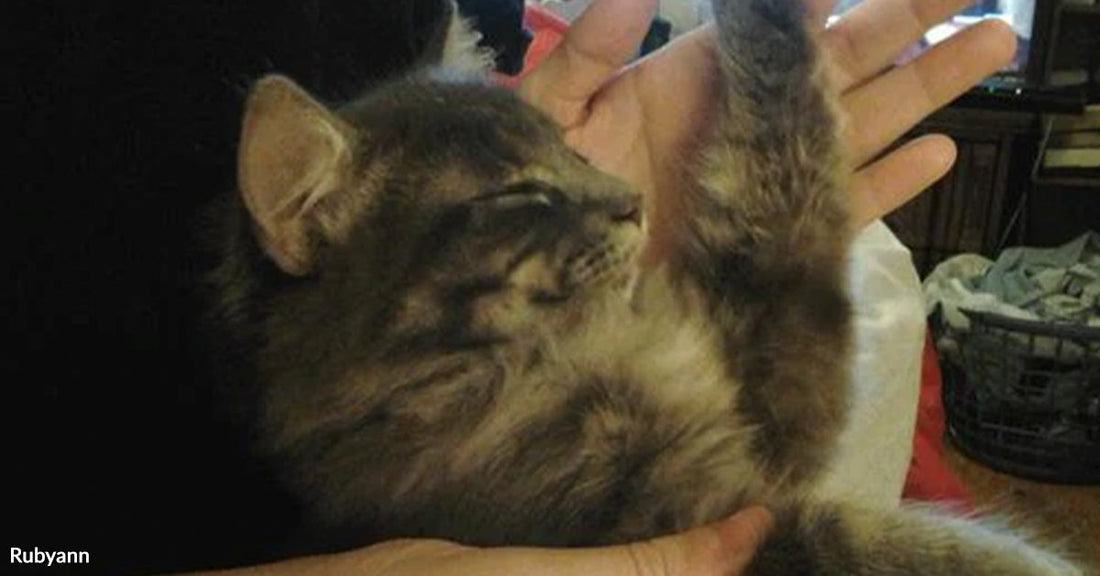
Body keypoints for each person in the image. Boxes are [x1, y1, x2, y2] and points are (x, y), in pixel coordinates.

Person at [181, 0, 1015, 574]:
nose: (624, 199)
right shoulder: (446, 463)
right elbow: (772, 530)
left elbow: (774, 425)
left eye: (572, 162)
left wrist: (773, 87)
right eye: (523, 195)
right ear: (311, 223)